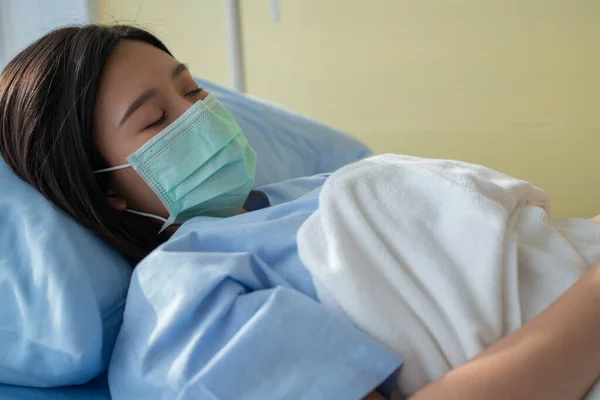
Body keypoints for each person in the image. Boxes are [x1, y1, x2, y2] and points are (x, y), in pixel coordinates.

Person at [0, 25, 599, 399]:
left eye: (192, 90)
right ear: (105, 190)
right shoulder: (181, 303)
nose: (199, 117)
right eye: (155, 120)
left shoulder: (308, 192)